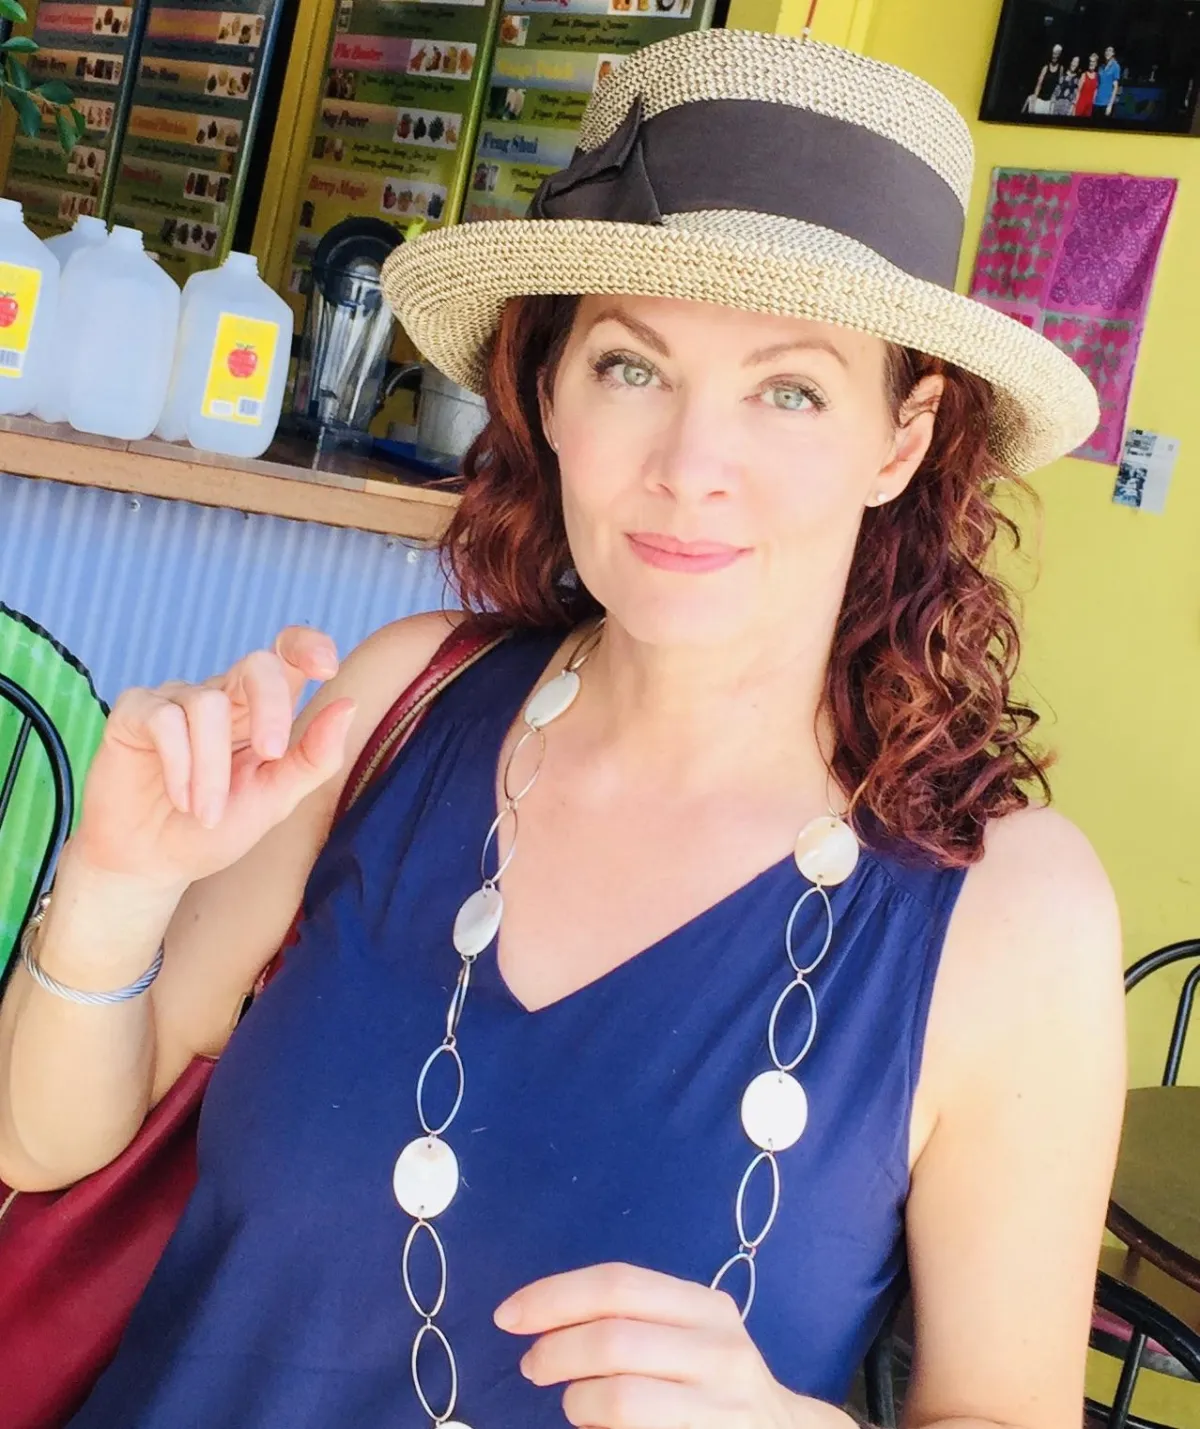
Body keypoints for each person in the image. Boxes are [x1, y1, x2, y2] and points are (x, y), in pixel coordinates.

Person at [0, 27, 1122, 1429]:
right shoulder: (401, 710)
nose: (689, 469)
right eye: (633, 367)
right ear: (549, 387)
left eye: (791, 389)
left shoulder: (1011, 917)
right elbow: (41, 1148)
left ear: (899, 438)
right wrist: (114, 889)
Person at [1025, 41, 1063, 114]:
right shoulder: (1045, 68)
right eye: (1053, 54)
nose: (1054, 56)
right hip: (1041, 99)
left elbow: (1060, 85)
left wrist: (1055, 98)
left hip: (1050, 102)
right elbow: (1039, 84)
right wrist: (1035, 98)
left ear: (1059, 55)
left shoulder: (1061, 68)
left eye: (1056, 54)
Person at [1096, 44, 1122, 116]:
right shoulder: (1101, 66)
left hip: (1106, 103)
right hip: (1096, 102)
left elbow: (1115, 87)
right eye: (1106, 51)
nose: (1108, 52)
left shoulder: (1115, 66)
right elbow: (1097, 84)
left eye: (1110, 51)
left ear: (1113, 53)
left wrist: (1110, 105)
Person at [1076, 52, 1101, 116]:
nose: (1091, 63)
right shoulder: (1084, 75)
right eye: (1090, 61)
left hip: (1089, 108)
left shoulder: (1097, 76)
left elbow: (1096, 91)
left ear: (1096, 64)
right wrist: (1074, 105)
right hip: (1080, 105)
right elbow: (1078, 91)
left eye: (1093, 62)